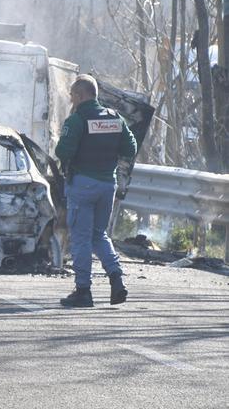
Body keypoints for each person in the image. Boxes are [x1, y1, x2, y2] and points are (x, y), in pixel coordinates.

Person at [55, 74, 136, 308]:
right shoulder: (115, 118)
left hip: (82, 185)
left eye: (72, 97)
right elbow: (130, 148)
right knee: (99, 235)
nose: (71, 102)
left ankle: (83, 291)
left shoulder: (77, 120)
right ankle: (116, 280)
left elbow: (63, 152)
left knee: (80, 238)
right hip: (107, 186)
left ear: (80, 95)